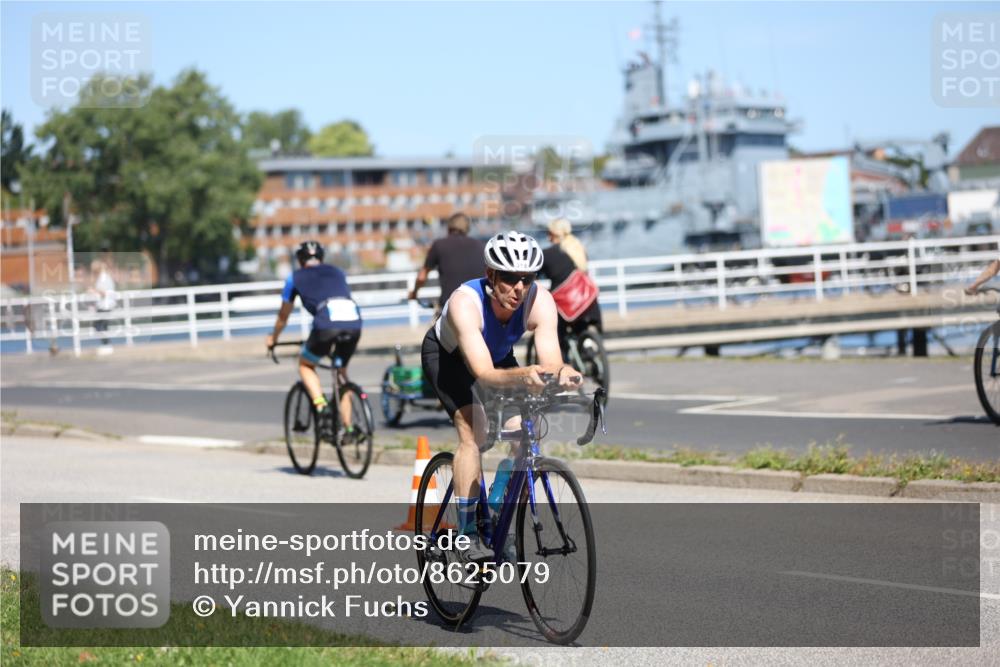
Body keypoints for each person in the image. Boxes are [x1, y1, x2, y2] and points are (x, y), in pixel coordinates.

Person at [421, 230, 583, 562]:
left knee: (528, 430)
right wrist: (526, 374)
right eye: (509, 279)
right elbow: (484, 374)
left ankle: (496, 511)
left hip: (496, 356)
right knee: (474, 433)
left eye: (527, 279)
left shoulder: (541, 300)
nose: (519, 288)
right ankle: (467, 534)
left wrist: (564, 373)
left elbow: (551, 361)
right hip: (451, 358)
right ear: (491, 275)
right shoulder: (464, 303)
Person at [266, 241, 362, 439]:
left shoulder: (294, 277)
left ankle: (320, 406)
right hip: (354, 320)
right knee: (341, 373)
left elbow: (283, 317)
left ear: (300, 260)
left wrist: (272, 338)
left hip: (326, 323)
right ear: (321, 258)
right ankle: (350, 429)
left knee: (305, 364)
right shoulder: (337, 272)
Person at [539, 218, 602, 359]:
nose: (548, 237)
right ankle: (589, 350)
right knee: (582, 329)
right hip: (588, 302)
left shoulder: (548, 254)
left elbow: (536, 275)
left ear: (554, 234)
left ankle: (562, 364)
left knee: (555, 332)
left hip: (566, 304)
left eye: (549, 233)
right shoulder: (578, 248)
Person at [408, 212, 485, 313]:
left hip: (450, 307)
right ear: (467, 229)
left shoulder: (439, 245)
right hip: (478, 305)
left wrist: (414, 293)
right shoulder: (480, 246)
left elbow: (422, 277)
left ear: (449, 227)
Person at [89, 260, 117, 355]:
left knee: (100, 326)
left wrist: (93, 290)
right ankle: (106, 345)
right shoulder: (102, 277)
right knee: (101, 326)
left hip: (105, 305)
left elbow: (104, 293)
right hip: (102, 305)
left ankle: (107, 345)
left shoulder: (104, 278)